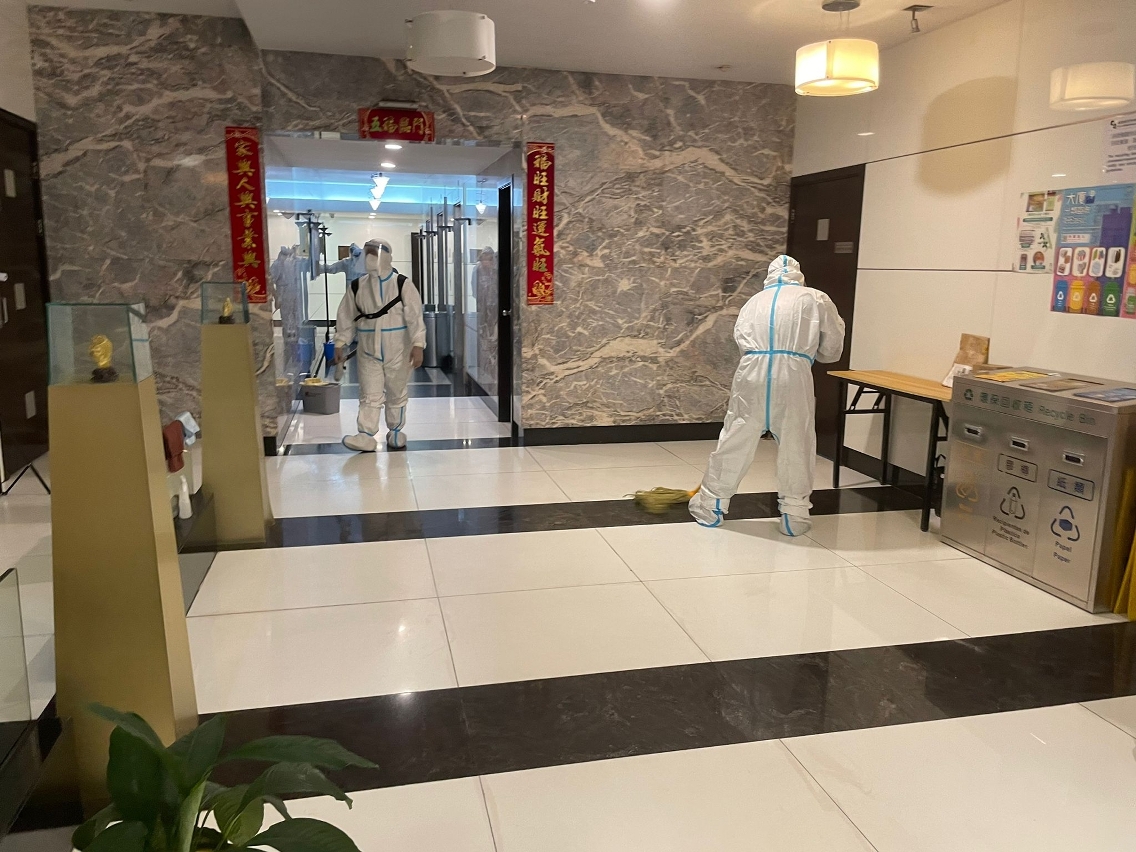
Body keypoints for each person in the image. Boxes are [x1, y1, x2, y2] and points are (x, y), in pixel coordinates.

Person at [688, 255, 846, 536]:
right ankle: (794, 515)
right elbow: (832, 350)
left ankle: (710, 505)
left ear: (769, 276)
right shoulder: (816, 298)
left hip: (752, 371)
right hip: (793, 373)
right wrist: (804, 350)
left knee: (736, 436)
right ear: (799, 275)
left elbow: (741, 340)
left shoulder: (753, 302)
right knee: (797, 441)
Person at [333, 239, 426, 452]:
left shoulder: (402, 284)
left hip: (398, 348)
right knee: (369, 392)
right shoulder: (357, 286)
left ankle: (395, 430)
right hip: (368, 349)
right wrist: (340, 343)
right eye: (367, 253)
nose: (369, 258)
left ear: (385, 256)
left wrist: (418, 344)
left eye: (373, 253)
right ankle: (366, 435)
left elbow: (415, 317)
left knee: (396, 390)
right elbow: (346, 316)